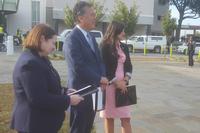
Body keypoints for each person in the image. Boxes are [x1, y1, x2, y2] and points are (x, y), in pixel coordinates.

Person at [10, 24, 84, 133]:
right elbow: (38, 98)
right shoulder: (30, 63)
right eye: (53, 43)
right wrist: (68, 100)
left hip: (41, 123)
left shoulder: (40, 58)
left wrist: (64, 91)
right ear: (42, 39)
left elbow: (47, 84)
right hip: (33, 124)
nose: (54, 47)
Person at [63, 1, 108, 133]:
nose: (95, 17)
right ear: (80, 17)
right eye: (92, 14)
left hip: (93, 92)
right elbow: (78, 66)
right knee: (78, 128)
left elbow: (99, 61)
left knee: (87, 127)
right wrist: (99, 79)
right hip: (80, 93)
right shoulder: (72, 39)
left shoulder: (91, 37)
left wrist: (103, 76)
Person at [99, 21, 133, 133]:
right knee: (109, 118)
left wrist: (125, 80)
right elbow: (104, 67)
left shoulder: (124, 46)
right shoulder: (105, 46)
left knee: (126, 118)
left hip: (123, 86)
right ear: (115, 31)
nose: (124, 33)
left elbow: (129, 66)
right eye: (122, 30)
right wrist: (117, 82)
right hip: (110, 85)